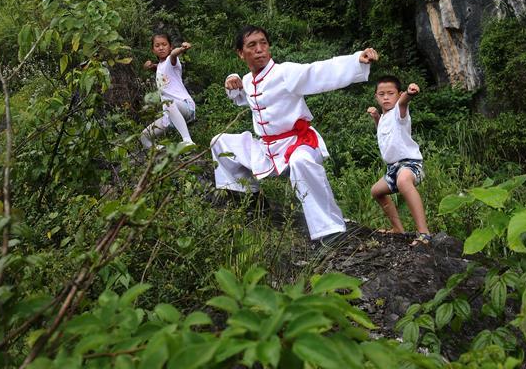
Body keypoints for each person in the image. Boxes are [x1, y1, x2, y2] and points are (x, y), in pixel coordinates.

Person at [211, 26, 379, 243]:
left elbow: (318, 71)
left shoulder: (284, 72)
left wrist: (356, 60)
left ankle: (329, 230)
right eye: (252, 45)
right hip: (266, 149)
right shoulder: (247, 80)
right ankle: (250, 200)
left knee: (301, 162)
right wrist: (231, 81)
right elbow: (243, 96)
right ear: (241, 53)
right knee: (219, 143)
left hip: (298, 143)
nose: (260, 49)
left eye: (263, 43)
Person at [366, 76, 431, 246]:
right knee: (376, 191)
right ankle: (398, 229)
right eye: (382, 94)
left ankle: (424, 234)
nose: (386, 97)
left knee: (403, 181)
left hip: (410, 164)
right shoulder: (384, 117)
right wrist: (376, 118)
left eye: (390, 93)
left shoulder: (399, 112)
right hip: (392, 169)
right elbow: (384, 131)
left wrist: (409, 94)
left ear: (398, 94)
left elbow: (403, 103)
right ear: (376, 97)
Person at [140, 33, 196, 151]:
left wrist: (181, 49)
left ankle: (187, 140)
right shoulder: (160, 66)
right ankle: (160, 152)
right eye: (157, 46)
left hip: (184, 105)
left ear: (170, 47)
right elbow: (160, 69)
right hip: (169, 114)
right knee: (144, 136)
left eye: (164, 44)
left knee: (168, 103)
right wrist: (150, 67)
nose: (161, 48)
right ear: (153, 50)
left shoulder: (172, 61)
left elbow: (174, 55)